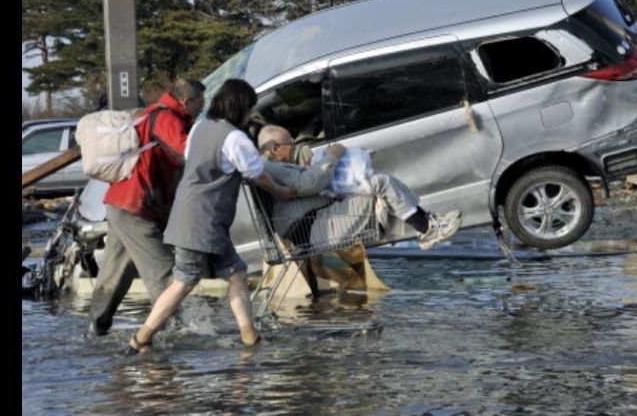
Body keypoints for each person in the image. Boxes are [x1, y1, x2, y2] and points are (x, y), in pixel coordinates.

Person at [128, 79, 295, 353]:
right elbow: (256, 173)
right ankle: (141, 337)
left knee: (237, 273)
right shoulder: (234, 137)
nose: (251, 113)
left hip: (196, 215)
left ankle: (249, 335)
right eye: (250, 107)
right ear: (240, 106)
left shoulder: (200, 128)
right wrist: (281, 190)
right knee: (184, 281)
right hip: (202, 220)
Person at [87, 78, 205, 336]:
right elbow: (187, 151)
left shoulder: (151, 113)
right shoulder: (166, 118)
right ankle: (179, 331)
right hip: (137, 208)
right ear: (186, 102)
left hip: (122, 203)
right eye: (199, 104)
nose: (201, 110)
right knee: (163, 272)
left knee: (114, 273)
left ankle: (95, 329)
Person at [257, 125, 462, 251]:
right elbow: (309, 184)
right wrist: (332, 157)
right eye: (290, 142)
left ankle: (426, 226)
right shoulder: (272, 167)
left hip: (314, 225)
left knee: (372, 185)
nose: (294, 146)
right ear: (275, 148)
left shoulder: (271, 167)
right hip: (312, 231)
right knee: (378, 183)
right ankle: (427, 229)